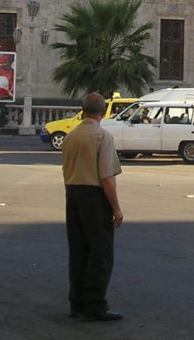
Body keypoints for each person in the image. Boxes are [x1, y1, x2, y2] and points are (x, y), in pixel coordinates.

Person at [62, 92, 124, 322]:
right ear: (104, 111)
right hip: (94, 197)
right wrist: (116, 208)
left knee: (78, 251)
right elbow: (107, 178)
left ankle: (76, 303)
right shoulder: (102, 137)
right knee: (100, 253)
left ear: (83, 109)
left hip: (73, 194)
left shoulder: (71, 136)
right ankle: (95, 305)